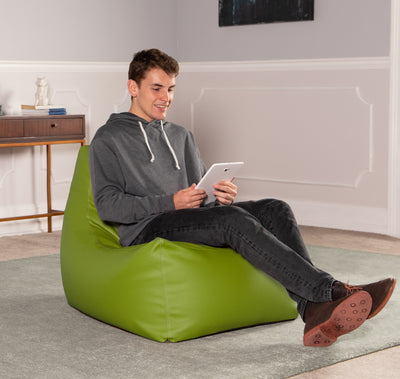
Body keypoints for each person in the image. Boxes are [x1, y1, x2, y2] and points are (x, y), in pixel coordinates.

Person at [89, 48, 396, 347]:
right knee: (231, 220)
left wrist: (219, 197)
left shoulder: (181, 135)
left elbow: (201, 196)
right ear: (133, 88)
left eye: (170, 89)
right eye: (156, 88)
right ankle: (331, 291)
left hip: (185, 218)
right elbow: (108, 205)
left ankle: (313, 310)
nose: (165, 98)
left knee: (276, 209)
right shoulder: (109, 138)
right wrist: (170, 202)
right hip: (148, 227)